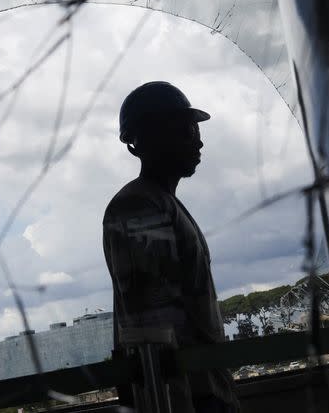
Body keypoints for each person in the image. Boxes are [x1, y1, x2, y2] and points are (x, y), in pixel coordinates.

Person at [103, 81, 238, 412]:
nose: (199, 140)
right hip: (187, 395)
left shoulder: (159, 203)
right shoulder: (139, 207)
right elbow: (153, 325)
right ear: (148, 140)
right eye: (186, 130)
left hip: (200, 388)